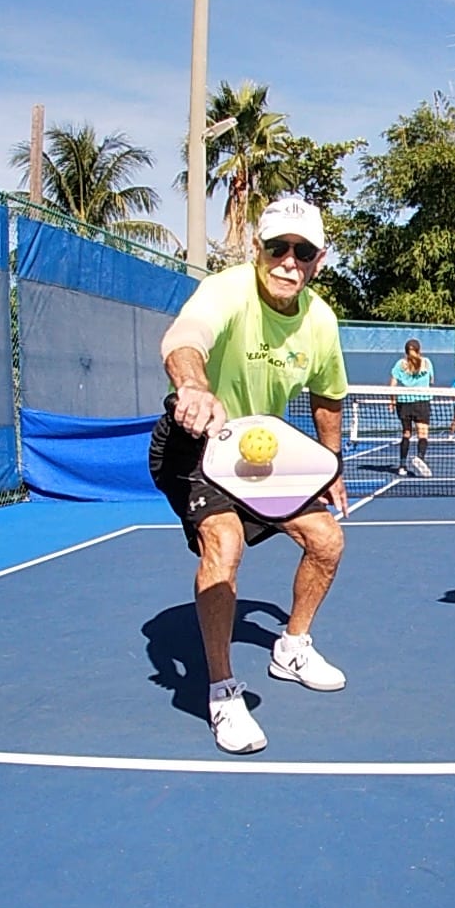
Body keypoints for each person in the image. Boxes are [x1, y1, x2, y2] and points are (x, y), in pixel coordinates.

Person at [151, 196, 349, 755]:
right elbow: (184, 338)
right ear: (256, 249)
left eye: (303, 251)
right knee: (226, 544)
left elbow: (328, 397)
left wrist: (328, 466)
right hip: (195, 443)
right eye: (278, 247)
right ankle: (221, 690)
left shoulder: (321, 320)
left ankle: (292, 647)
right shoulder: (227, 290)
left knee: (327, 539)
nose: (289, 261)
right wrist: (193, 386)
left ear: (318, 259)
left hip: (260, 455)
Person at [389, 337, 434, 477]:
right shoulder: (426, 363)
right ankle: (420, 457)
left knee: (406, 433)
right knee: (423, 433)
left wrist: (391, 402)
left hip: (404, 403)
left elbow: (392, 385)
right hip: (422, 401)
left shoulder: (400, 364)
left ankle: (402, 466)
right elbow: (432, 381)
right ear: (420, 350)